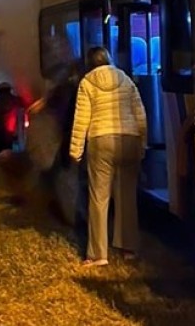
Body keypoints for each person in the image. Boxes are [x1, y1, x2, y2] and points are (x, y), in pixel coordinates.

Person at [69, 47, 146, 268]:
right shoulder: (126, 79)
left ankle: (98, 255)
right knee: (127, 196)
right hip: (129, 138)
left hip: (100, 140)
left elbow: (81, 118)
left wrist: (76, 150)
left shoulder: (87, 82)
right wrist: (142, 143)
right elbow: (140, 114)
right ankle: (128, 248)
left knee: (99, 198)